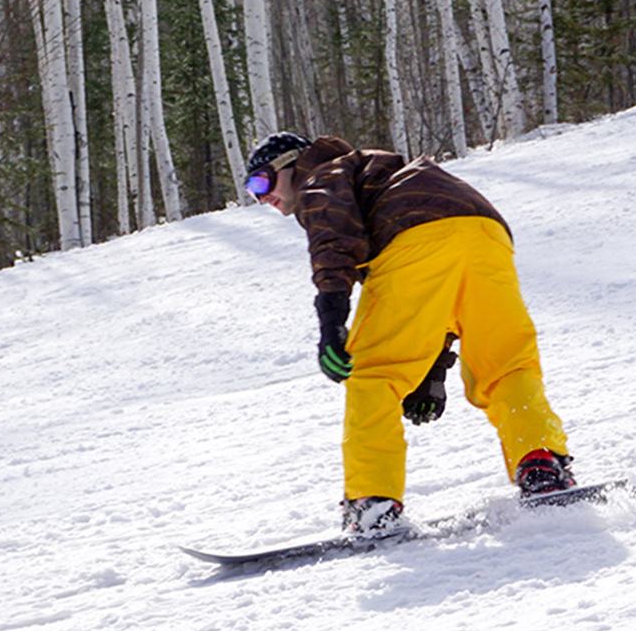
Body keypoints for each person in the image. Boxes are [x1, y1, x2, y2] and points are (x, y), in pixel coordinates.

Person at [244, 132, 575, 536]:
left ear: (291, 164)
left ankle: (372, 501)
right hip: (486, 235)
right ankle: (541, 462)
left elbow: (335, 242)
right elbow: (438, 298)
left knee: (373, 375)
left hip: (415, 240)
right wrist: (432, 372)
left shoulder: (321, 175)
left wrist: (332, 321)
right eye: (251, 190)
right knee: (505, 365)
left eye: (261, 182)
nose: (260, 197)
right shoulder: (377, 170)